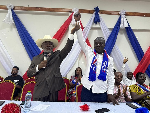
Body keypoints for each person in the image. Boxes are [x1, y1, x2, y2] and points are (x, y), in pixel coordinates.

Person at [71, 23, 118, 105]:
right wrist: (78, 30)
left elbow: (111, 77)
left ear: (104, 45)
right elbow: (82, 41)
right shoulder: (90, 53)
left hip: (101, 92)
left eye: (101, 43)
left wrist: (110, 93)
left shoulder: (109, 59)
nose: (98, 45)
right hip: (87, 90)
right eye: (96, 43)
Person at [27, 32, 74, 101]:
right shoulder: (35, 59)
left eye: (50, 43)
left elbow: (68, 47)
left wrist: (72, 33)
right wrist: (38, 67)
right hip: (39, 91)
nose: (48, 45)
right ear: (42, 46)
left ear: (53, 46)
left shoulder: (58, 56)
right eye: (46, 43)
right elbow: (29, 74)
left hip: (53, 91)